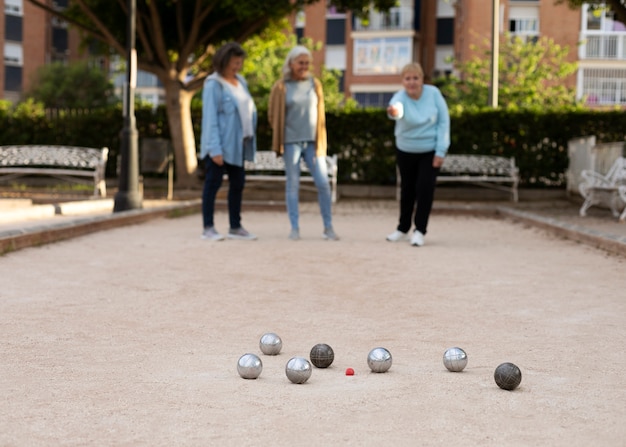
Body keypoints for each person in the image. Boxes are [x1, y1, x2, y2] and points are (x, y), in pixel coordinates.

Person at [268, 46, 339, 241]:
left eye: (307, 63)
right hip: (291, 142)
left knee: (323, 183)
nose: (304, 66)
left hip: (314, 142)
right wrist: (281, 132)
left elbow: (321, 113)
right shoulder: (281, 86)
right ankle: (295, 228)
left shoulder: (315, 84)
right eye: (301, 63)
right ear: (291, 64)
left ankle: (328, 227)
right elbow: (272, 113)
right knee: (293, 185)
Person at [386, 62, 450, 247]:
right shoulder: (400, 97)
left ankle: (420, 230)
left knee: (424, 189)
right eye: (407, 78)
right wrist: (394, 112)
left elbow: (444, 122)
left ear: (422, 79)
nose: (412, 82)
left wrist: (441, 151)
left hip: (429, 150)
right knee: (407, 189)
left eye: (415, 78)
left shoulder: (434, 94)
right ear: (402, 81)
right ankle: (402, 228)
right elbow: (396, 110)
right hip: (405, 149)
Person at [199, 42, 257, 241]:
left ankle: (235, 226)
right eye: (234, 62)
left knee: (238, 184)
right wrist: (214, 149)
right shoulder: (213, 84)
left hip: (238, 145)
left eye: (240, 62)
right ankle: (208, 227)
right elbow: (210, 119)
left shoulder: (241, 81)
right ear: (223, 61)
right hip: (219, 145)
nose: (237, 66)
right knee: (212, 185)